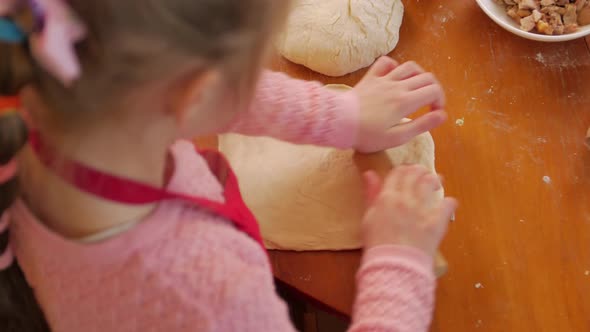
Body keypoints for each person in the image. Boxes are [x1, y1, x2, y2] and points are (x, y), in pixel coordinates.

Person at [0, 0, 457, 331]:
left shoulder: (33, 73)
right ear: (196, 92)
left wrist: (341, 117)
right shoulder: (207, 295)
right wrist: (400, 261)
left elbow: (200, 89)